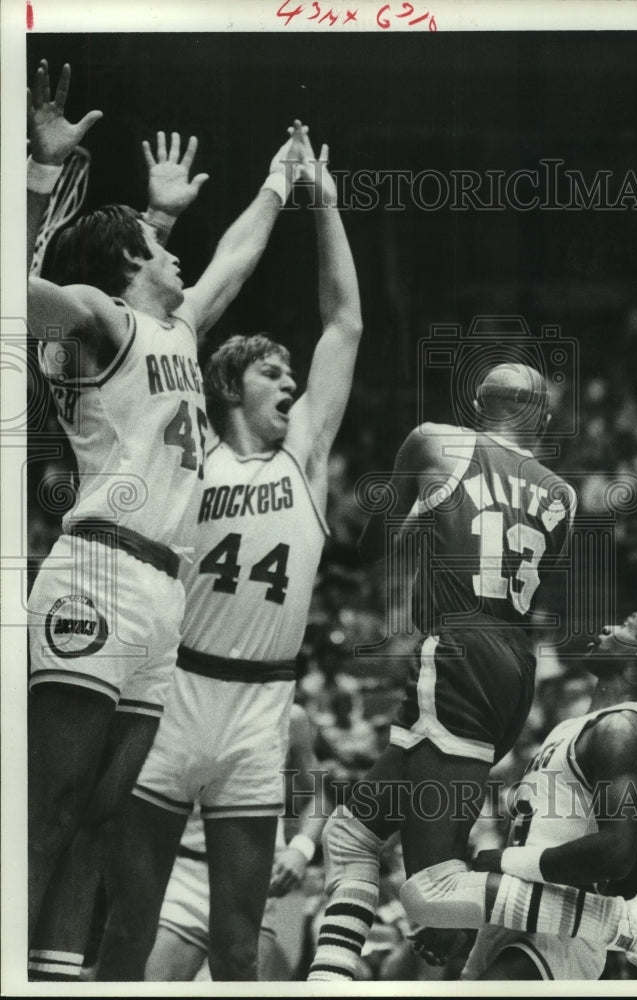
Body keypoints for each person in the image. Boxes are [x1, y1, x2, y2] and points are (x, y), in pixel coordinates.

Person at [25, 57, 306, 979]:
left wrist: (279, 180)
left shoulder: (177, 331)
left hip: (162, 597)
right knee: (50, 806)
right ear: (128, 264)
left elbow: (231, 257)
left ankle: (58, 976)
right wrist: (38, 175)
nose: (173, 247)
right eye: (154, 242)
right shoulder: (99, 317)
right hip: (99, 571)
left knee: (104, 815)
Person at [95, 133, 363, 980]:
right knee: (129, 929)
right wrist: (167, 216)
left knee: (241, 944)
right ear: (228, 387)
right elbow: (191, 300)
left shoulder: (305, 460)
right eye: (272, 374)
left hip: (261, 709)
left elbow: (345, 320)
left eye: (292, 374)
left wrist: (320, 197)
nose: (290, 383)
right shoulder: (189, 453)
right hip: (177, 689)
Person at [308, 360, 578, 980]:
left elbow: (373, 544)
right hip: (514, 662)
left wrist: (411, 518)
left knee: (434, 894)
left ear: (479, 406)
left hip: (457, 650)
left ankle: (624, 925)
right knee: (350, 833)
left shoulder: (435, 439)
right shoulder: (563, 494)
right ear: (541, 416)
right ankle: (330, 980)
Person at [460, 602, 637, 981]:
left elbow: (618, 852)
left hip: (560, 929)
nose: (606, 626)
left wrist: (507, 861)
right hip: (520, 909)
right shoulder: (573, 728)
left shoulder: (622, 730)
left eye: (625, 624)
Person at [143, 704, 326, 982]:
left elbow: (320, 797)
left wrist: (300, 850)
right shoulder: (177, 701)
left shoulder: (290, 714)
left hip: (254, 879)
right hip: (186, 874)